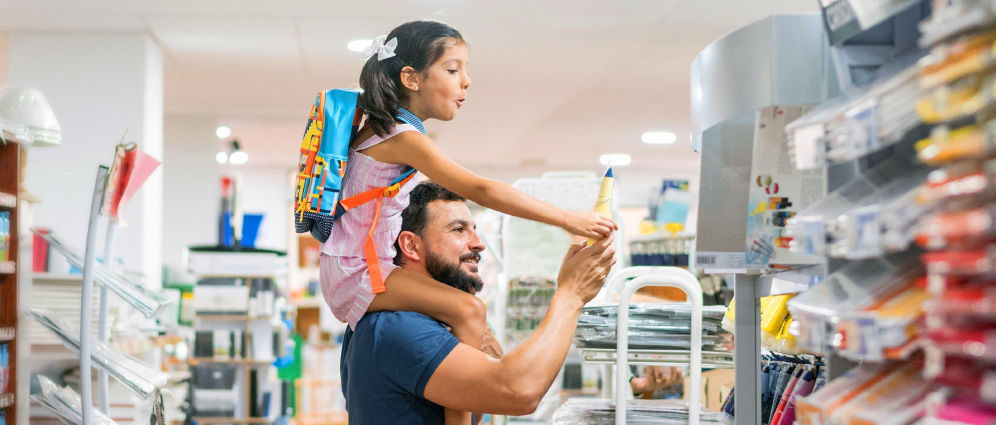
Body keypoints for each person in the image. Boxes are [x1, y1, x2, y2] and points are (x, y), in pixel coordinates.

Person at [320, 20, 616, 422]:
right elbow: (483, 190)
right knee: (469, 311)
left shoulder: (378, 130)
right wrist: (567, 218)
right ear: (411, 77)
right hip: (358, 271)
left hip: (353, 266)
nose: (467, 82)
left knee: (466, 313)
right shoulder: (402, 137)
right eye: (453, 69)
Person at [340, 182, 616, 424]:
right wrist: (571, 293)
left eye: (474, 230)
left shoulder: (425, 322)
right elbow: (520, 390)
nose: (479, 244)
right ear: (411, 246)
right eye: (458, 230)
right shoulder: (398, 327)